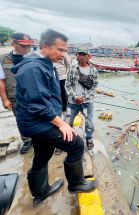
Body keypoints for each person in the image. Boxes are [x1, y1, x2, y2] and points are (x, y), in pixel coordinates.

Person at [11, 29, 97, 205]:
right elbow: (38, 105)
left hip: (38, 120)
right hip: (37, 122)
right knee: (76, 144)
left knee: (43, 153)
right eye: (60, 50)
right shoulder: (33, 68)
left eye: (65, 50)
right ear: (45, 47)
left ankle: (41, 192)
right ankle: (76, 184)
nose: (63, 54)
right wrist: (62, 124)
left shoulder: (43, 63)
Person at [0, 33, 34, 154]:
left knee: (39, 116)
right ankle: (27, 140)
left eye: (28, 46)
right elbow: (2, 81)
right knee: (20, 119)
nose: (26, 49)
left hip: (34, 95)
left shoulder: (34, 57)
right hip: (15, 96)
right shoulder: (4, 59)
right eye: (22, 46)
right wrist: (4, 99)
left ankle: (39, 138)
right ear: (13, 43)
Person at [65, 48, 98, 150]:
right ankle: (67, 139)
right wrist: (75, 97)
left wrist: (84, 97)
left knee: (89, 122)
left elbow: (94, 86)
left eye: (84, 54)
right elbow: (67, 85)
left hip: (87, 102)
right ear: (76, 55)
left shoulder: (93, 70)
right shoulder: (72, 68)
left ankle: (89, 139)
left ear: (89, 56)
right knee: (68, 121)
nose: (81, 56)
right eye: (79, 54)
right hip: (73, 102)